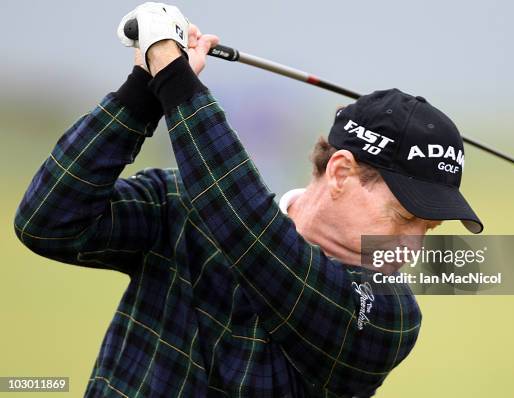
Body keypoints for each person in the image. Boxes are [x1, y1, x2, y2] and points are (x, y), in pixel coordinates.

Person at [14, 3, 482, 397]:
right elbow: (47, 221)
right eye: (403, 217)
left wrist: (173, 76)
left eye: (427, 228)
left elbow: (253, 237)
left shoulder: (388, 315)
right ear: (341, 172)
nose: (412, 246)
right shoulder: (182, 203)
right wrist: (141, 91)